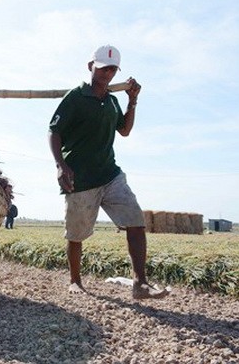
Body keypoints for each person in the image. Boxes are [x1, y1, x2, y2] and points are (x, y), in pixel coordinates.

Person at [48, 45, 168, 299]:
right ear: (91, 66)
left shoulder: (112, 101)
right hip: (80, 178)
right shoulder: (75, 98)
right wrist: (61, 165)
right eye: (103, 68)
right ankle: (75, 281)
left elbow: (124, 130)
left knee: (135, 221)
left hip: (110, 174)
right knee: (76, 235)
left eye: (112, 69)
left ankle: (140, 284)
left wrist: (132, 100)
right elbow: (54, 132)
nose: (107, 74)